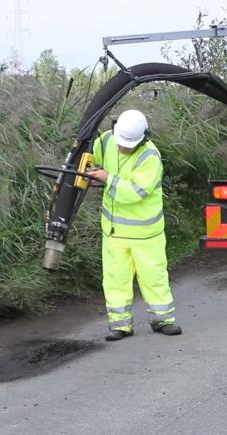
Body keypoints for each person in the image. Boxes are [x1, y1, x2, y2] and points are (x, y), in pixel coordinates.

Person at [87, 109, 182, 342]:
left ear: (143, 139)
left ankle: (163, 321)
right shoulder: (107, 140)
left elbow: (135, 192)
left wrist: (106, 178)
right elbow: (89, 155)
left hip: (146, 234)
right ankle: (120, 326)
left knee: (154, 278)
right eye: (121, 143)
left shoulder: (149, 156)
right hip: (114, 231)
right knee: (115, 279)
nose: (122, 147)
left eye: (128, 145)